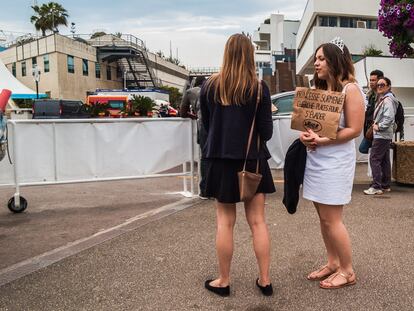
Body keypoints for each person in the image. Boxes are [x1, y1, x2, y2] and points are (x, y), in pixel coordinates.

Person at [200, 33, 275, 297]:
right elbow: (266, 133)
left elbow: (207, 128)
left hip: (220, 161)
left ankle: (224, 281)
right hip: (252, 161)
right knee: (258, 222)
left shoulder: (210, 86)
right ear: (250, 56)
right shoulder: (258, 88)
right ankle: (265, 281)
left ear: (226, 53)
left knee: (225, 222)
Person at [300, 38, 364, 289]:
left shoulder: (351, 89)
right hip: (316, 160)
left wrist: (322, 141)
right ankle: (333, 262)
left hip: (335, 162)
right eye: (316, 58)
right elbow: (311, 127)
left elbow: (355, 129)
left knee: (332, 219)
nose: (316, 63)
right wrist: (306, 137)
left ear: (334, 61)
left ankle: (347, 271)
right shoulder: (322, 91)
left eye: (321, 58)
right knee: (323, 218)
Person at [364, 77, 397, 195]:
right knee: (384, 160)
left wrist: (379, 126)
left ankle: (377, 186)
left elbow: (389, 117)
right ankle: (385, 185)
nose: (379, 87)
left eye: (382, 85)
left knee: (374, 158)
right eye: (378, 85)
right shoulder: (386, 99)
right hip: (385, 135)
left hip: (381, 134)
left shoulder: (387, 100)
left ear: (388, 86)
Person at [180, 76, 208, 198]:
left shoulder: (190, 92)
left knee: (205, 158)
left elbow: (182, 112)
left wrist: (194, 116)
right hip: (220, 126)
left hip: (203, 126)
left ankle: (205, 191)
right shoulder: (214, 89)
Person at [359, 70, 384, 154]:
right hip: (369, 129)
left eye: (373, 80)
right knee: (372, 153)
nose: (371, 82)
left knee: (364, 149)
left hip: (379, 131)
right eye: (370, 80)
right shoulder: (369, 94)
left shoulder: (384, 96)